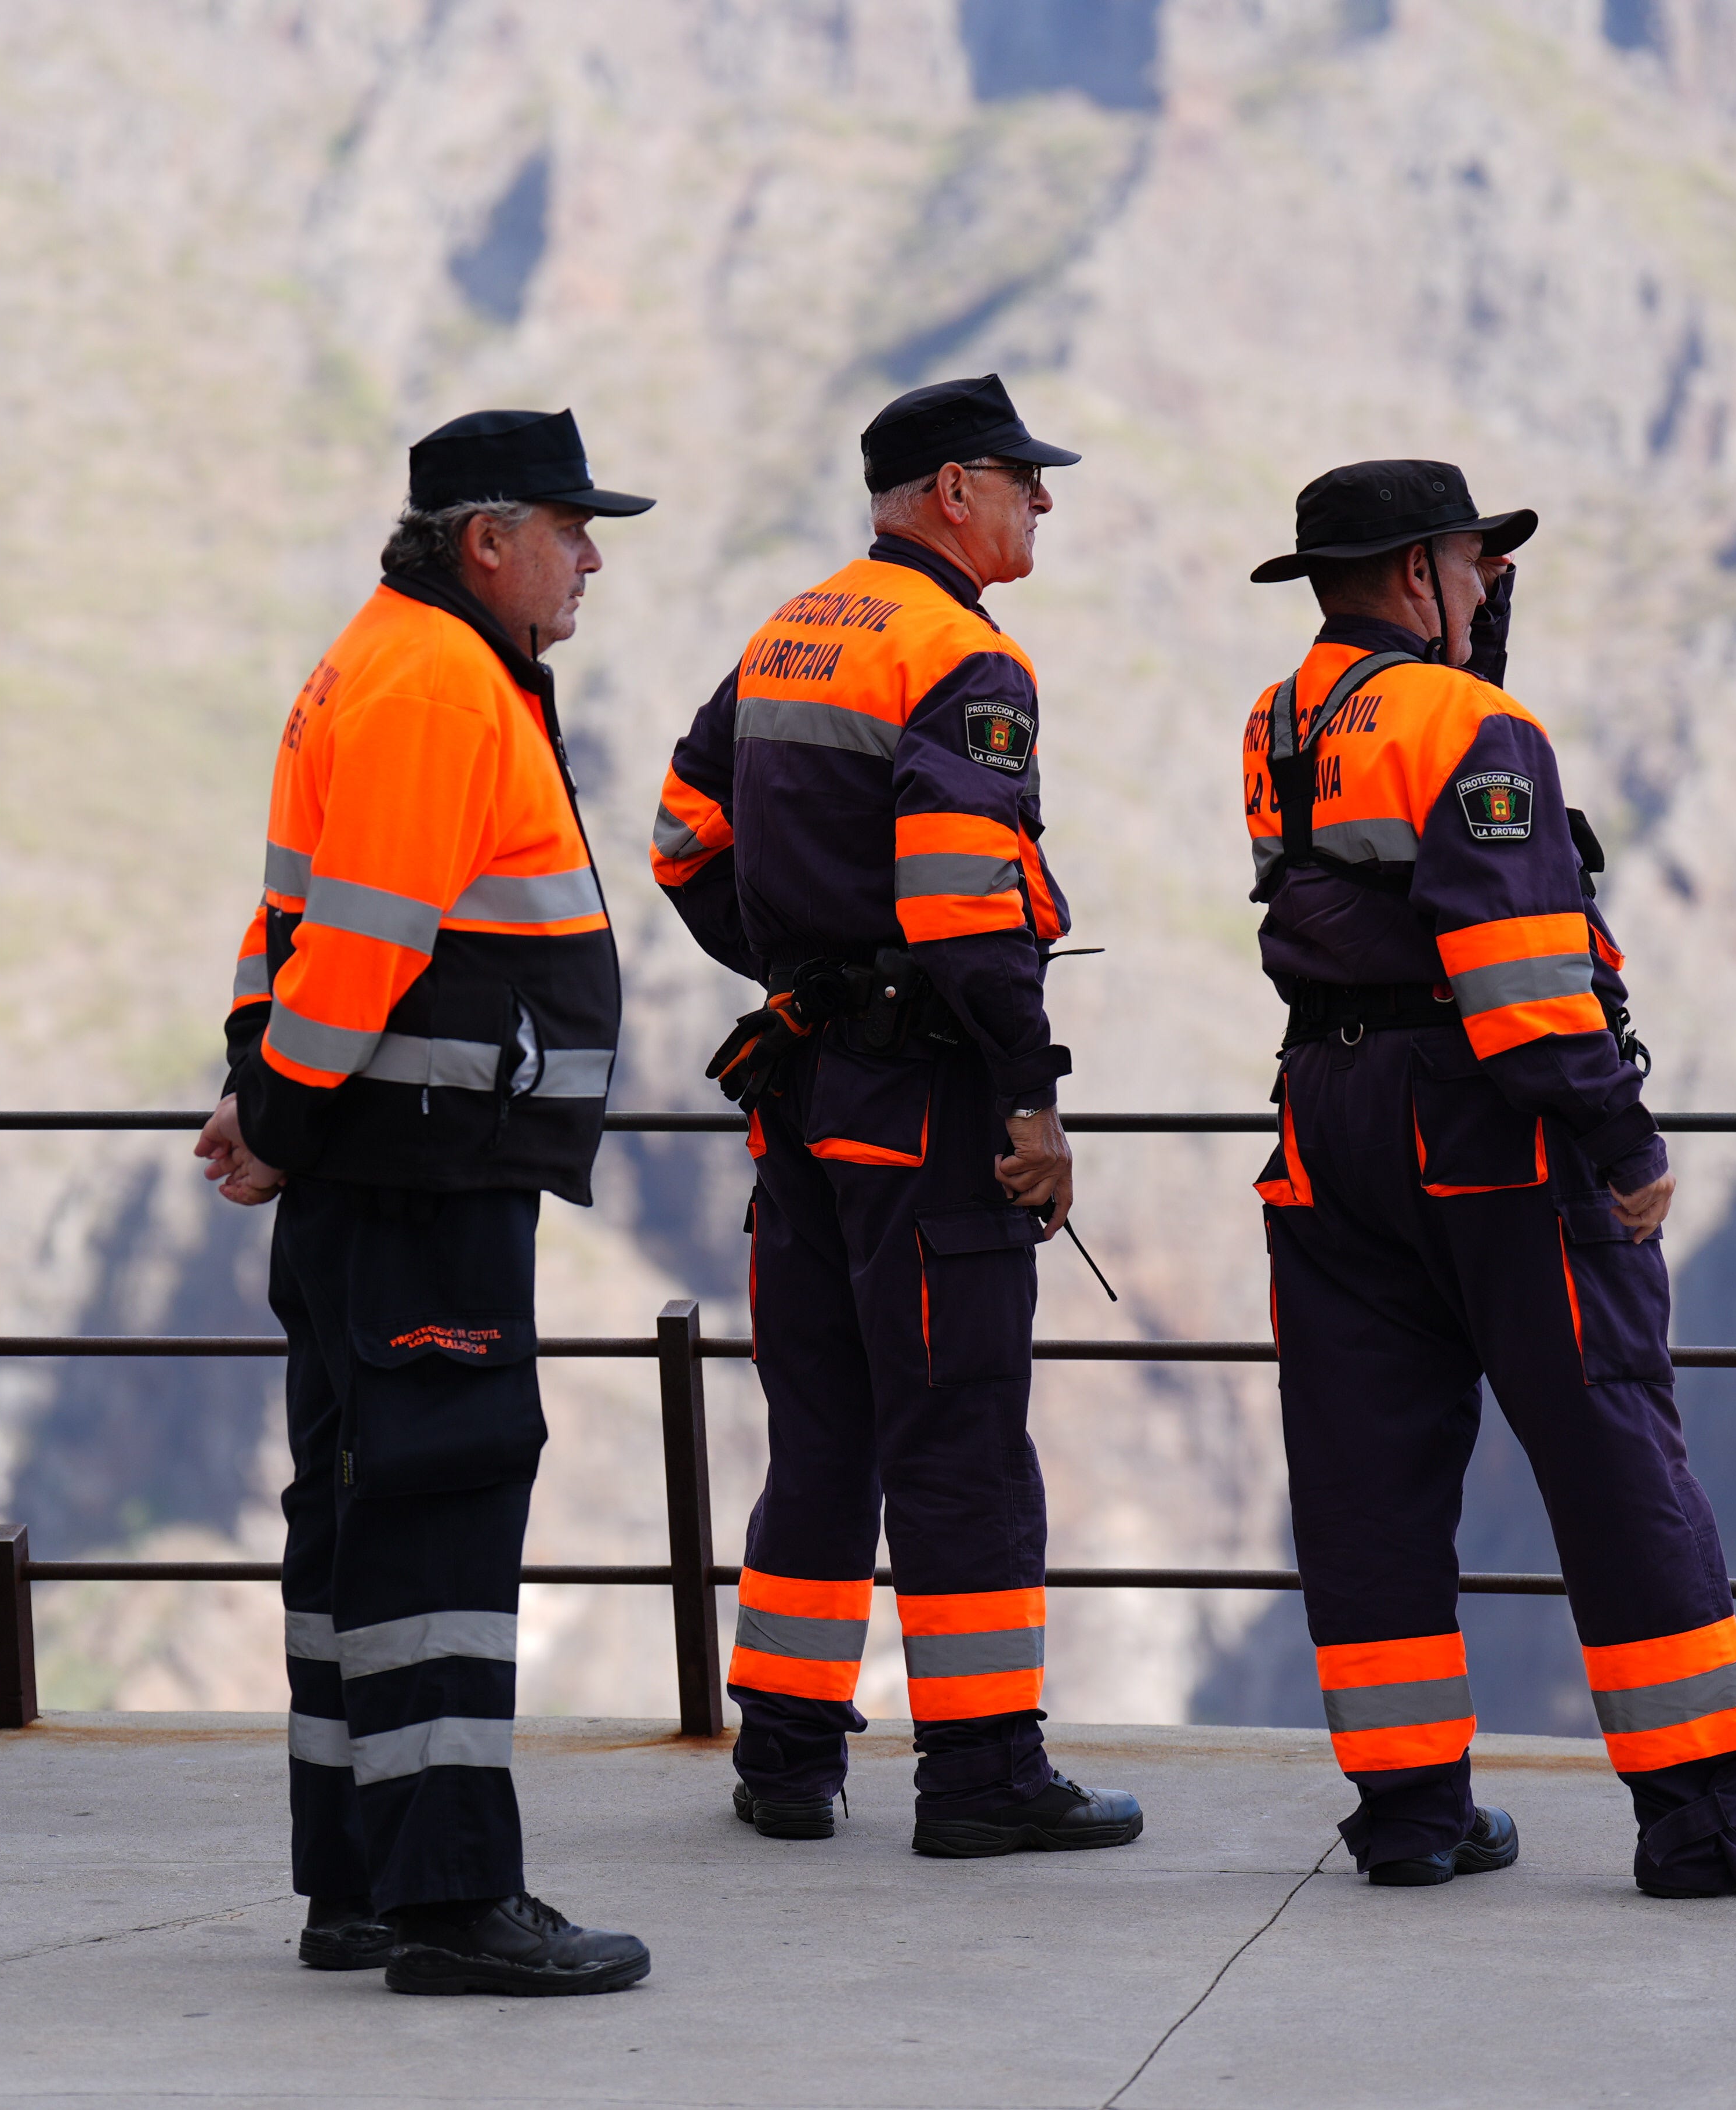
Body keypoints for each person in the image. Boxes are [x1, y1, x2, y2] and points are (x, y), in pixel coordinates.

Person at [1241, 459, 1736, 1897]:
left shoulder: (1277, 724)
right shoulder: (1479, 726)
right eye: (1472, 565)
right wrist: (1621, 1142)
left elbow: (1353, 896)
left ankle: (1408, 1813)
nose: (1485, 586)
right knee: (1611, 1455)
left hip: (1324, 1125)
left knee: (1365, 1475)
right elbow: (1521, 984)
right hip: (1485, 1131)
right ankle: (1705, 1822)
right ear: (1417, 576)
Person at [648, 374, 1142, 1859]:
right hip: (926, 1110)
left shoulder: (789, 632)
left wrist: (804, 973)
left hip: (799, 1105)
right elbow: (959, 907)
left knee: (822, 1432)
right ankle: (984, 1773)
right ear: (948, 492)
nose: (1040, 500)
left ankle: (788, 1758)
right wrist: (1028, 1100)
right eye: (1019, 479)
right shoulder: (963, 660)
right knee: (964, 1435)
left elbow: (683, 841)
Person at [193, 409, 654, 1997]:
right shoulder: (437, 680)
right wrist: (281, 1117)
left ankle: (363, 1882)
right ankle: (453, 1895)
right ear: (487, 538)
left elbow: (293, 929)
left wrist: (274, 1107)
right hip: (421, 1172)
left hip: (379, 1164)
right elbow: (370, 944)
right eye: (571, 528)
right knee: (441, 1498)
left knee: (354, 1513)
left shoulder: (389, 660)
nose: (590, 557)